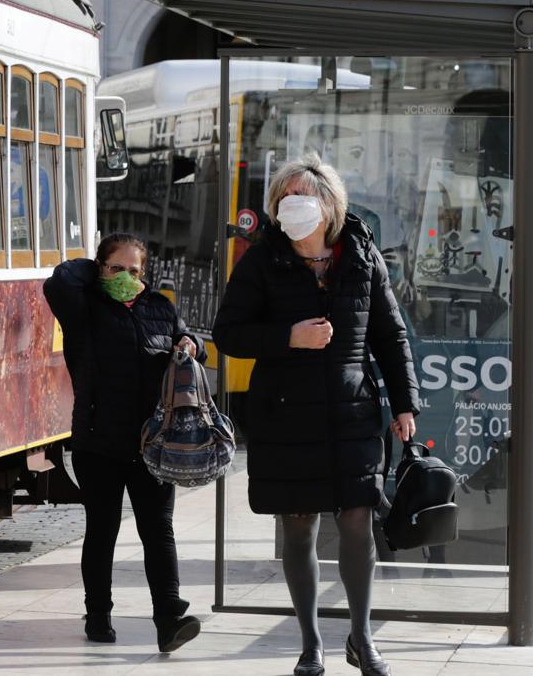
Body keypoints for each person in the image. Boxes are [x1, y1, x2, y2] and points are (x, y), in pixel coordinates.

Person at [212, 154, 419, 676]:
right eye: (284, 197)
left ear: (329, 203)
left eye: (303, 194)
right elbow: (229, 334)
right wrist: (289, 337)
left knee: (357, 523)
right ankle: (310, 643)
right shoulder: (262, 261)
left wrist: (405, 403)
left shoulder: (363, 256)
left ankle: (361, 637)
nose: (293, 205)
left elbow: (391, 335)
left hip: (353, 412)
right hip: (286, 413)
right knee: (299, 527)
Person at [43, 233, 202, 653]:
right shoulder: (84, 309)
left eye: (136, 271)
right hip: (98, 441)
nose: (129, 278)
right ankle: (98, 614)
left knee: (158, 529)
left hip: (153, 441)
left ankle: (169, 616)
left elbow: (191, 342)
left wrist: (192, 344)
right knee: (103, 529)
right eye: (118, 268)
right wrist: (96, 272)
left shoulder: (159, 308)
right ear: (99, 269)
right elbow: (59, 282)